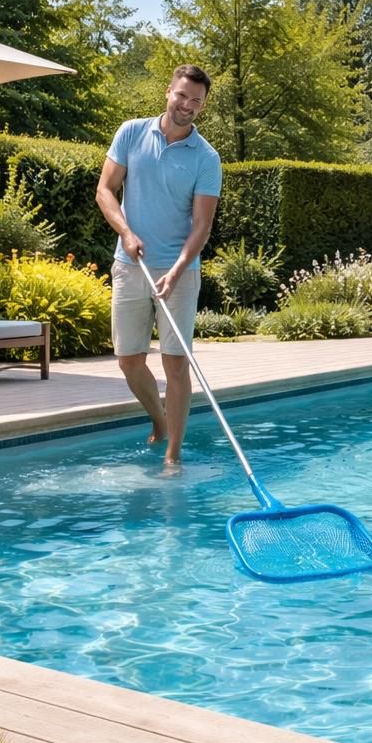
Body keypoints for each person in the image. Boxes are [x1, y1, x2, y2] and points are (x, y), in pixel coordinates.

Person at [96, 64, 222, 468]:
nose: (186, 105)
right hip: (130, 264)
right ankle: (159, 420)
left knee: (175, 363)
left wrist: (179, 267)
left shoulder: (206, 158)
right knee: (129, 360)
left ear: (202, 106)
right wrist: (126, 233)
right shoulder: (131, 132)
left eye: (196, 101)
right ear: (169, 91)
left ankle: (173, 455)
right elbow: (105, 191)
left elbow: (202, 226)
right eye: (181, 96)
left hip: (180, 274)